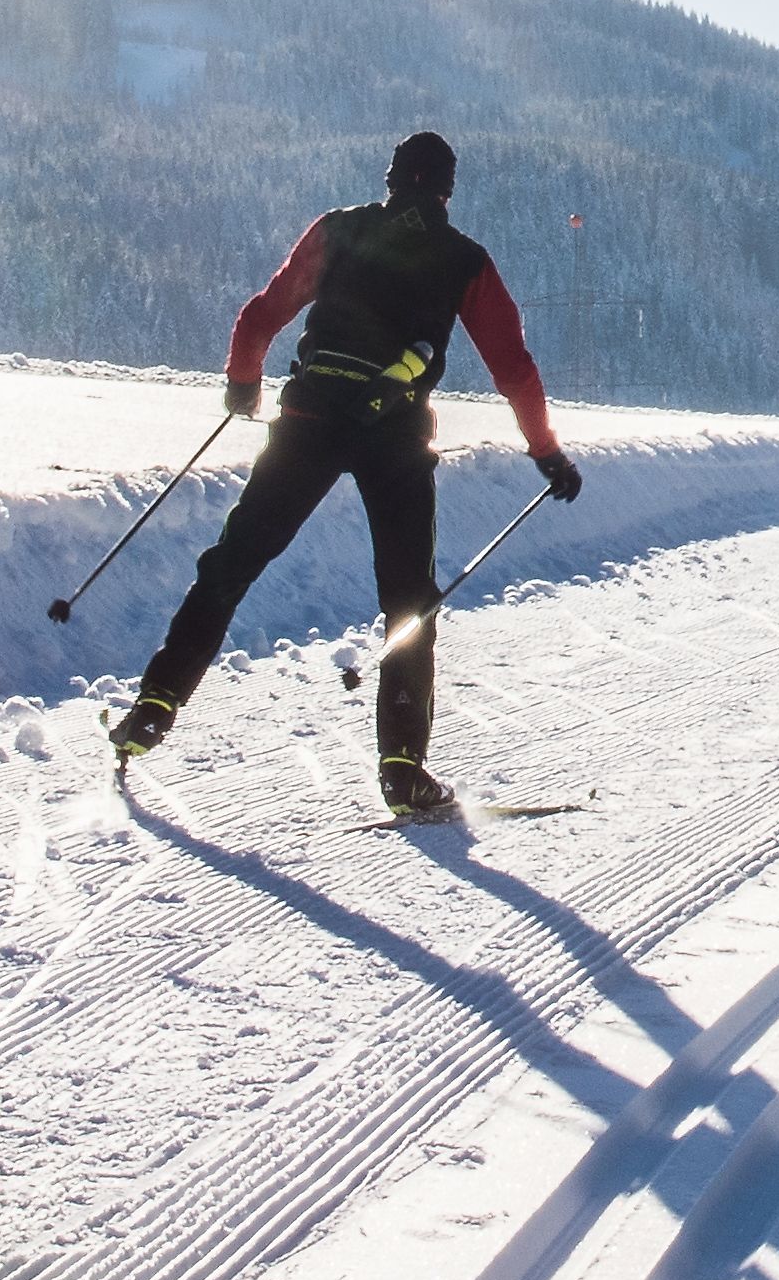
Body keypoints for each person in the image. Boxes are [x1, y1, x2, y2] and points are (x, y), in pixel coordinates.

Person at [113, 128, 578, 816]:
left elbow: (261, 314)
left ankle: (156, 705)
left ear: (391, 179)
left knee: (233, 563)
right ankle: (402, 770)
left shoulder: (340, 229)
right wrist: (545, 452)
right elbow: (514, 367)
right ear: (448, 190)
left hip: (309, 421)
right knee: (408, 600)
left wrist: (244, 384)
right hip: (397, 438)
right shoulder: (464, 260)